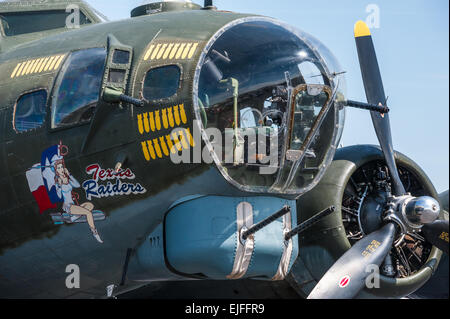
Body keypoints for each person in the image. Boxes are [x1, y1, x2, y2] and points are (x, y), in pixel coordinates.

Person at [54, 159, 103, 243]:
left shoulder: (67, 178)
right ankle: (95, 233)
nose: (61, 169)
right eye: (58, 168)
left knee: (90, 205)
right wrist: (59, 185)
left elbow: (77, 185)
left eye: (61, 167)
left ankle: (75, 217)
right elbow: (58, 195)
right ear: (56, 170)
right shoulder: (58, 181)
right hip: (68, 206)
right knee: (88, 213)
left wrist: (69, 174)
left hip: (74, 206)